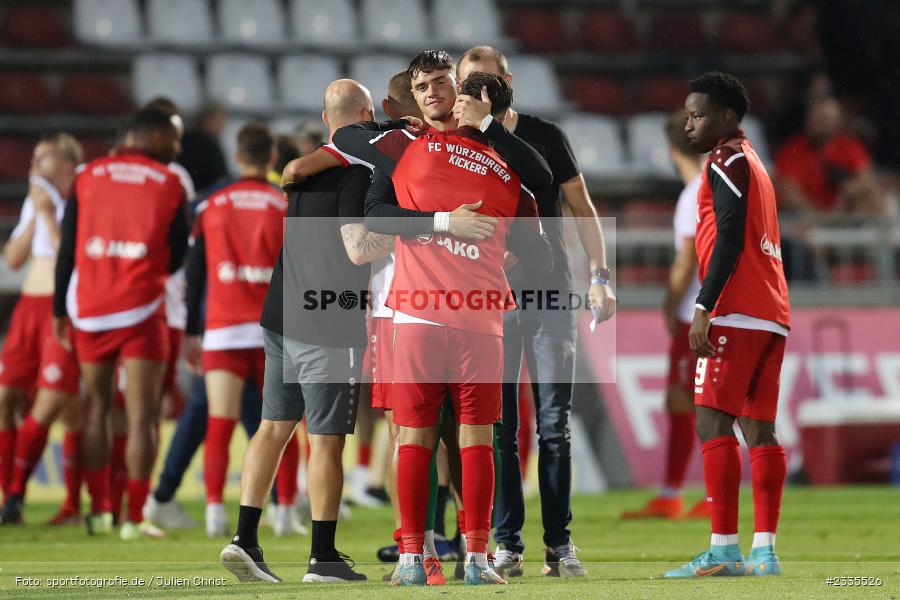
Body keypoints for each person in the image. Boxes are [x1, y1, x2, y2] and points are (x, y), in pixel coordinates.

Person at [332, 51, 553, 586]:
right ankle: (417, 556)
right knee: (417, 438)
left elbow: (540, 198)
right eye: (421, 85)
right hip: (418, 316)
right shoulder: (403, 148)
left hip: (470, 316)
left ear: (461, 89)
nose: (431, 92)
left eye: (440, 83)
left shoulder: (474, 153)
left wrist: (490, 132)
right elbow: (369, 201)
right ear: (413, 94)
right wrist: (443, 222)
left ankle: (471, 558)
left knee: (467, 440)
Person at [219, 79, 392, 584]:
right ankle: (323, 557)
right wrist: (417, 234)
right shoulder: (360, 172)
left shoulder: (305, 172)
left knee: (272, 428)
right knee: (326, 442)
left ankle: (245, 540)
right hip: (327, 320)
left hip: (281, 315)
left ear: (325, 119)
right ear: (365, 115)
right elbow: (357, 247)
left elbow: (293, 178)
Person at [456, 45, 615, 578]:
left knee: (554, 426)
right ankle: (507, 545)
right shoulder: (453, 144)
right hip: (486, 302)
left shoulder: (545, 135)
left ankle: (559, 544)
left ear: (506, 82)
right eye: (467, 82)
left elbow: (580, 204)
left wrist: (599, 276)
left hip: (549, 294)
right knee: (498, 429)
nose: (474, 90)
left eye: (484, 80)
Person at [665, 72, 791, 578]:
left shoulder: (725, 159)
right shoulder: (756, 163)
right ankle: (765, 551)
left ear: (728, 119)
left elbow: (731, 235)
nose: (690, 123)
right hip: (772, 310)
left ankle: (723, 551)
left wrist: (703, 305)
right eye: (688, 114)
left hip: (734, 308)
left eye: (698, 115)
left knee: (712, 420)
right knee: (760, 427)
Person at [53, 107, 189, 540]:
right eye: (172, 138)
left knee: (96, 409)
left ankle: (99, 509)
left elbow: (68, 247)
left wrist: (60, 308)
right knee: (141, 414)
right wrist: (146, 270)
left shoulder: (87, 175)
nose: (177, 147)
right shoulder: (170, 182)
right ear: (147, 134)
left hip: (90, 308)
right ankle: (134, 516)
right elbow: (178, 252)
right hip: (142, 308)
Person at [182, 122, 295, 538]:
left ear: (237, 156)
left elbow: (195, 278)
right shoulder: (282, 205)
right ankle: (285, 512)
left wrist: (193, 332)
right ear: (270, 158)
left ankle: (214, 509)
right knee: (281, 426)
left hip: (223, 330)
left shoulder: (211, 206)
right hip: (274, 331)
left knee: (220, 422)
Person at [622, 111, 709, 521]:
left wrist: (670, 302)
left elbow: (687, 257)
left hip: (697, 312)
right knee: (693, 400)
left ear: (672, 149)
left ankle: (687, 495)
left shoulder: (694, 192)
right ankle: (677, 494)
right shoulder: (713, 186)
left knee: (689, 400)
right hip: (715, 308)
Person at [0, 135, 84, 525]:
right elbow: (14, 259)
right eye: (32, 156)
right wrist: (35, 214)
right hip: (26, 310)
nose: (33, 164)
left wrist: (49, 215)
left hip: (60, 309)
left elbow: (71, 259)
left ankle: (16, 495)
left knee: (52, 405)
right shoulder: (37, 203)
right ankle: (10, 498)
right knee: (5, 400)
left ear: (67, 163)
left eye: (43, 158)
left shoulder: (78, 203)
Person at [775, 97, 884, 214]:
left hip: (843, 216)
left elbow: (867, 179)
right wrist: (821, 216)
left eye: (825, 119)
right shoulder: (793, 149)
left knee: (872, 197)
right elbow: (789, 192)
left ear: (838, 122)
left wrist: (850, 189)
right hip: (806, 219)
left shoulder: (849, 146)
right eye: (815, 118)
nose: (819, 124)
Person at [179, 102, 230, 193]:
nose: (222, 127)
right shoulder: (210, 144)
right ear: (207, 120)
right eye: (219, 122)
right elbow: (222, 179)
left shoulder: (181, 139)